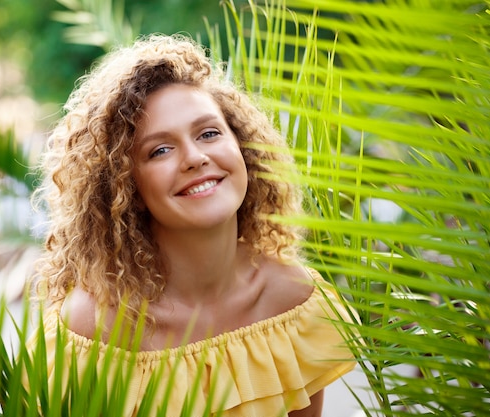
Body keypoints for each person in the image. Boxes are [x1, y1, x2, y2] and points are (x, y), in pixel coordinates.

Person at [29, 34, 356, 417]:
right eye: (160, 150)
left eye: (209, 133)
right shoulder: (92, 330)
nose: (195, 158)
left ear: (243, 148)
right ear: (125, 185)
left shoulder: (292, 299)